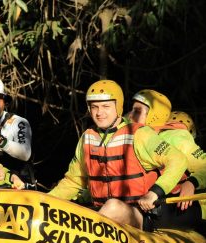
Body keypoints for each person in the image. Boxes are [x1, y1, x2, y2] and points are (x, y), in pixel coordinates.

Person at [48, 80, 188, 231]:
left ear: (118, 107)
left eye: (106, 106)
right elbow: (72, 181)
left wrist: (154, 193)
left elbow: (178, 160)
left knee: (112, 207)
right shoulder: (87, 138)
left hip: (139, 215)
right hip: (101, 213)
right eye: (94, 107)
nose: (99, 113)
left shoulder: (139, 134)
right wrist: (45, 201)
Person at [130, 90, 206, 231]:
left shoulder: (176, 137)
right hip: (151, 204)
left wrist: (192, 183)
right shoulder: (133, 136)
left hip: (181, 207)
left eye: (136, 111)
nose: (130, 116)